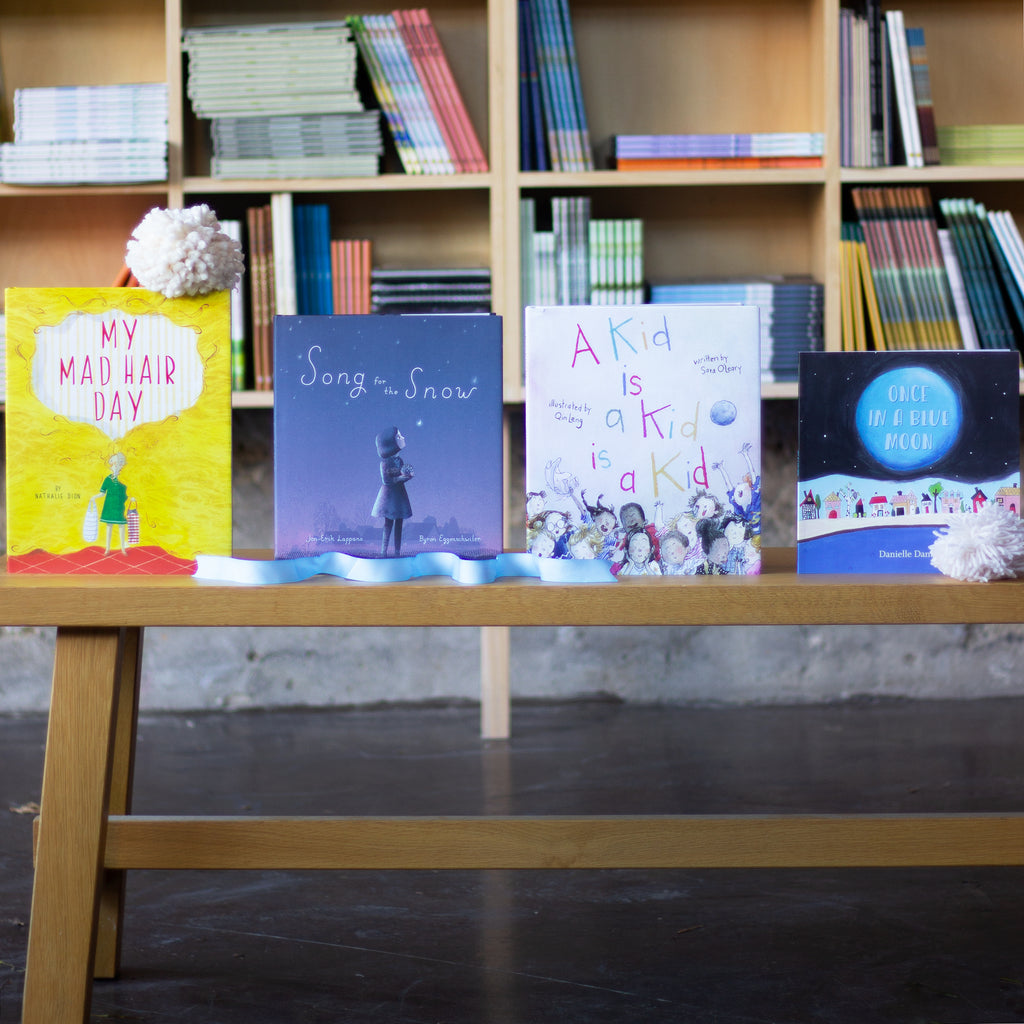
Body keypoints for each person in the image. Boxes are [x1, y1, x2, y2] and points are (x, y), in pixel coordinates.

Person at [371, 426, 414, 557]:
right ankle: (383, 551)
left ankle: (397, 552)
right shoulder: (384, 463)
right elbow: (387, 480)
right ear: (391, 443)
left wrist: (407, 477)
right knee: (388, 523)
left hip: (399, 496)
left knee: (399, 524)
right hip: (389, 498)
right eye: (399, 437)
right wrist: (401, 477)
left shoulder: (399, 460)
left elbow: (401, 475)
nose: (403, 438)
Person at [94, 452, 131, 555]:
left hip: (120, 507)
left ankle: (123, 549)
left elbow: (130, 491)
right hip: (109, 507)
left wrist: (131, 498)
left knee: (121, 527)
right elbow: (102, 493)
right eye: (114, 462)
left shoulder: (125, 479)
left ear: (122, 465)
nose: (116, 465)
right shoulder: (108, 479)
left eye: (119, 463)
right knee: (109, 527)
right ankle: (107, 549)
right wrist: (93, 498)